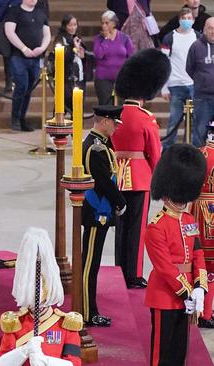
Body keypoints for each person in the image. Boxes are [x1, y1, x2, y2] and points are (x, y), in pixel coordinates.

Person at [145, 143, 208, 366]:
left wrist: (200, 287)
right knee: (162, 354)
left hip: (188, 295)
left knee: (180, 353)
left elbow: (197, 253)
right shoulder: (156, 226)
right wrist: (188, 292)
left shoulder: (189, 220)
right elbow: (165, 268)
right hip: (165, 296)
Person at [111, 48, 168, 289]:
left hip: (117, 176)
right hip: (140, 177)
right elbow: (155, 153)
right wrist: (162, 179)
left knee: (121, 228)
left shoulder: (115, 115)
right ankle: (133, 274)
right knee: (137, 228)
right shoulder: (146, 118)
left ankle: (118, 268)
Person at [0, 227, 82, 366]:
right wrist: (24, 351)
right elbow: (2, 362)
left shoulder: (66, 324)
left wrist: (46, 361)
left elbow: (74, 363)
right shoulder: (15, 323)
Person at [81, 105, 126, 328]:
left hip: (101, 210)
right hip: (95, 212)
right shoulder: (96, 148)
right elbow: (103, 182)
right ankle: (88, 313)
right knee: (90, 264)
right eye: (115, 123)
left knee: (93, 263)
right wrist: (120, 201)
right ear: (105, 121)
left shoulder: (101, 144)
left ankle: (89, 309)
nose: (117, 127)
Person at [4, 0, 50, 132]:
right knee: (21, 85)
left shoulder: (41, 13)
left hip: (35, 57)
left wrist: (41, 48)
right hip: (18, 56)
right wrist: (24, 48)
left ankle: (22, 118)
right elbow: (10, 32)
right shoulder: (15, 11)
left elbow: (47, 34)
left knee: (29, 88)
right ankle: (15, 118)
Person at [160, 7, 198, 149]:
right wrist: (164, 87)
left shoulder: (198, 37)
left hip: (193, 84)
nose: (187, 21)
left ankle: (191, 149)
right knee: (174, 120)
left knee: (194, 121)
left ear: (193, 21)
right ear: (179, 19)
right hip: (175, 84)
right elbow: (164, 62)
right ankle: (168, 150)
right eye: (184, 18)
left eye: (189, 18)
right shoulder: (170, 37)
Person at [194, 121, 214, 329]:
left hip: (199, 207)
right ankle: (206, 312)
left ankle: (202, 308)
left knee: (201, 260)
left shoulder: (201, 153)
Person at [93, 10, 135, 105]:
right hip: (103, 79)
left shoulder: (124, 38)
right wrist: (106, 39)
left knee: (121, 106)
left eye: (106, 23)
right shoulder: (98, 39)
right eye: (102, 23)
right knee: (105, 106)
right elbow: (99, 55)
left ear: (114, 23)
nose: (104, 26)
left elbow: (131, 58)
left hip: (121, 78)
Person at [186, 17, 214, 147]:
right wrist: (203, 82)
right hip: (203, 98)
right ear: (204, 29)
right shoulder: (196, 46)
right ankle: (198, 164)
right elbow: (189, 68)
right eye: (210, 28)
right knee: (200, 132)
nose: (213, 31)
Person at [52, 14, 87, 115]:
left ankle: (76, 130)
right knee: (62, 106)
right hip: (65, 79)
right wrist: (73, 47)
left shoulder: (77, 38)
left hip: (79, 77)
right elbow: (63, 58)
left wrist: (83, 56)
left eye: (75, 25)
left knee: (78, 108)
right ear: (65, 26)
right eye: (70, 25)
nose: (73, 28)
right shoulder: (60, 39)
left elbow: (84, 57)